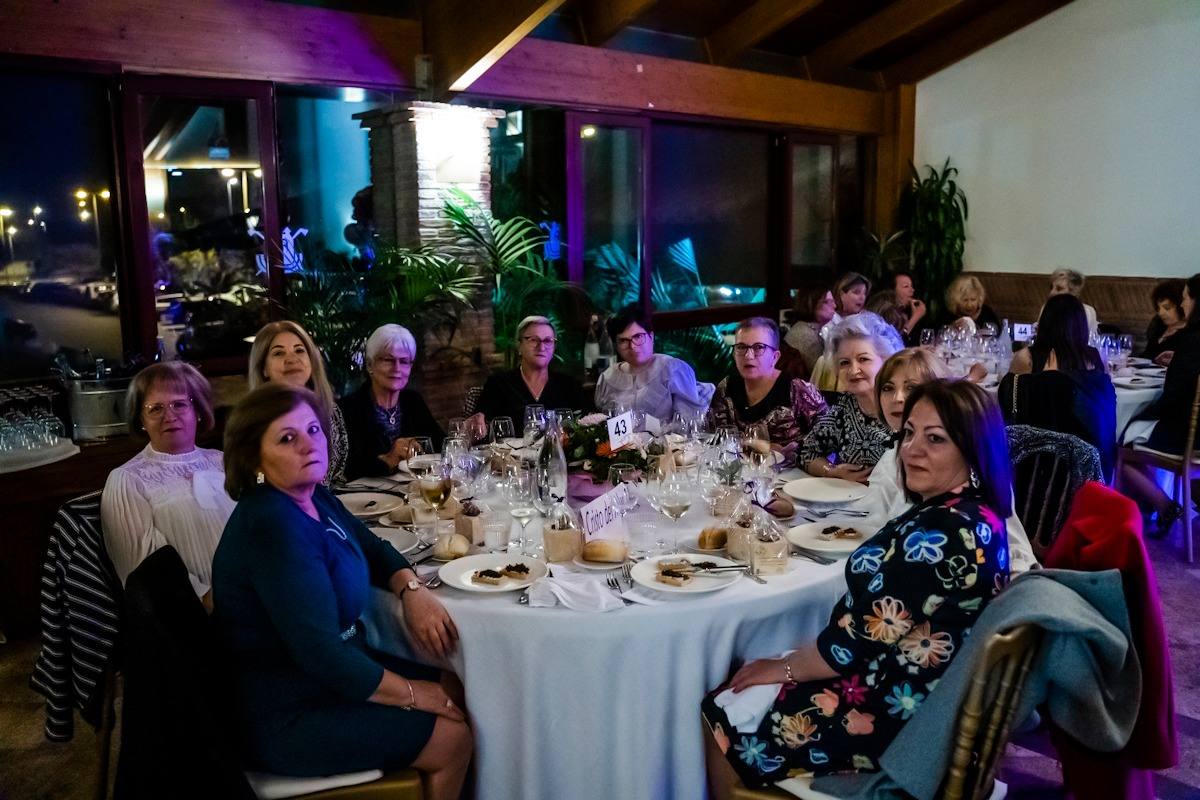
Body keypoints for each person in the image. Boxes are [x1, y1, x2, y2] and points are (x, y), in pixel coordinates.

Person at [702, 381, 1012, 794]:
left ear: (972, 449)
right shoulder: (970, 513)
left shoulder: (941, 537)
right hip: (923, 691)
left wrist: (785, 668)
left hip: (897, 718)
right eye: (909, 433)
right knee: (749, 680)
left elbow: (850, 646)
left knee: (722, 708)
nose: (910, 449)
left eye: (935, 439)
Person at [212, 384, 471, 798]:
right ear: (253, 456)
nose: (308, 445)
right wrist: (412, 694)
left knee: (459, 685)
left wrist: (412, 590)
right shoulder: (272, 526)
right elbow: (321, 654)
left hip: (328, 679)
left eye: (313, 430)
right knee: (452, 737)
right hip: (289, 711)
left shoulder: (311, 494)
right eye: (287, 438)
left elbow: (374, 546)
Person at [867, 349, 1037, 573]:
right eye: (888, 388)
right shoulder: (895, 457)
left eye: (935, 438)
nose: (898, 398)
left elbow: (1015, 553)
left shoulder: (964, 526)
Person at [101, 362, 233, 610]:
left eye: (179, 404)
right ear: (141, 420)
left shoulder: (223, 461)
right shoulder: (126, 480)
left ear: (199, 411)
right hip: (194, 617)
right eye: (155, 408)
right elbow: (144, 573)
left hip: (256, 596)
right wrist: (210, 601)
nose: (169, 416)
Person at [1002, 294, 1117, 481]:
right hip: (1093, 460)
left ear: (1045, 323)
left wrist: (1047, 381)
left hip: (1041, 463)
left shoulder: (1027, 358)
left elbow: (1013, 408)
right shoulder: (1094, 358)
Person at [1121, 273, 1200, 535]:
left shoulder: (1192, 339)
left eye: (1186, 299)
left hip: (1186, 435)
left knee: (1118, 444)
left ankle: (1164, 505)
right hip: (1193, 431)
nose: (1184, 304)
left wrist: (1143, 413)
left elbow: (1174, 398)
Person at [708, 317, 826, 466]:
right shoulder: (727, 387)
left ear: (775, 357)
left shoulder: (797, 390)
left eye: (758, 348)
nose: (748, 355)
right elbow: (713, 438)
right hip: (739, 476)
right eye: (741, 347)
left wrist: (793, 452)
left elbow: (829, 439)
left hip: (794, 479)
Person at [799, 313, 904, 481]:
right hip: (850, 502)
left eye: (863, 359)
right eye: (844, 363)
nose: (853, 370)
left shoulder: (906, 406)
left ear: (887, 360)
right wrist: (831, 471)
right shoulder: (843, 408)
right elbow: (805, 452)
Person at [339, 324, 445, 480]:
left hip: (412, 494)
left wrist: (464, 434)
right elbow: (347, 469)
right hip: (367, 499)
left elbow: (441, 446)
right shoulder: (349, 408)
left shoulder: (413, 401)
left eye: (404, 361)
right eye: (388, 360)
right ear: (369, 365)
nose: (397, 368)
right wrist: (389, 459)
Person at [248, 320, 348, 486]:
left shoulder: (330, 410)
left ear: (311, 360)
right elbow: (256, 480)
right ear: (263, 368)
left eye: (299, 350)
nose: (292, 359)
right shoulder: (256, 420)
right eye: (279, 353)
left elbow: (337, 477)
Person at [594, 304, 713, 424]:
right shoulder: (607, 378)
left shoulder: (673, 370)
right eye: (623, 341)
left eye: (638, 336)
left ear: (651, 336)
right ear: (616, 345)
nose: (633, 346)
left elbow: (690, 425)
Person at [475, 315, 591, 424]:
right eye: (533, 340)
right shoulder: (498, 384)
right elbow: (479, 430)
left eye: (548, 341)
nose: (541, 347)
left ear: (554, 348)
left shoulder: (569, 385)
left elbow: (591, 424)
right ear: (519, 345)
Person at [784, 286, 837, 373]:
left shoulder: (805, 327)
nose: (834, 306)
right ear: (810, 304)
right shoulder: (805, 335)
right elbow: (821, 376)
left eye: (833, 301)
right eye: (827, 302)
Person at [1142, 278, 1187, 362]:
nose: (1160, 313)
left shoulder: (1191, 332)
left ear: (1182, 306)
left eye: (1167, 308)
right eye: (1158, 308)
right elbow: (1146, 354)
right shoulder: (1159, 324)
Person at [1048, 268, 1099, 334]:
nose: (1052, 293)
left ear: (1073, 292)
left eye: (1059, 289)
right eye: (1051, 287)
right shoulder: (1047, 309)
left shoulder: (1086, 311)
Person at [892, 270, 928, 343]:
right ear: (891, 291)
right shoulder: (884, 314)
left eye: (911, 286)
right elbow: (894, 343)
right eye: (906, 286)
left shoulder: (909, 311)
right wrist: (915, 318)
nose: (912, 290)